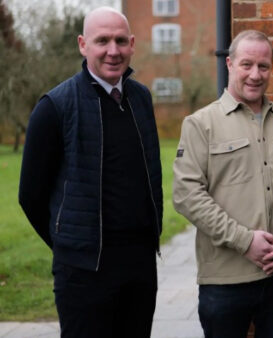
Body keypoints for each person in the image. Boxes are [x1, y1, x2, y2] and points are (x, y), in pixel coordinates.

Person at [172, 30, 273, 338]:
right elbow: (187, 194)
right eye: (247, 64)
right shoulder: (201, 124)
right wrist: (244, 241)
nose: (255, 75)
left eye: (263, 66)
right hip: (225, 280)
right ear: (229, 64)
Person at [18, 7, 162, 338]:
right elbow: (30, 196)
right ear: (83, 45)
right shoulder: (54, 107)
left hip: (140, 265)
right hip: (83, 271)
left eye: (121, 41)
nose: (113, 50)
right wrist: (69, 244)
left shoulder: (141, 98)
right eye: (103, 41)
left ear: (132, 44)